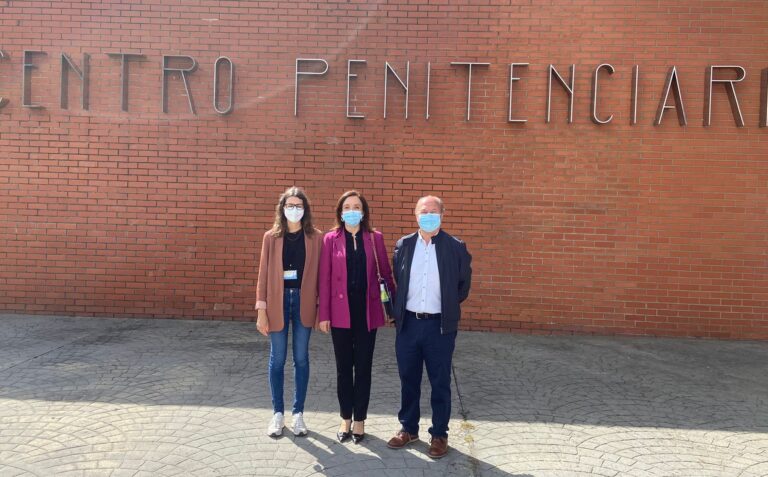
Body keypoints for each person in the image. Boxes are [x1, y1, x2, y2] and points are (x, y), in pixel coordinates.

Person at [386, 195, 472, 459]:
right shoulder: (404, 245)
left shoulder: (455, 247)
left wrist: (444, 305)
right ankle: (409, 428)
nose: (428, 215)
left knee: (440, 381)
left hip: (439, 327)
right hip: (409, 324)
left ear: (442, 215)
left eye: (434, 211)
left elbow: (462, 286)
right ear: (415, 215)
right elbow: (397, 281)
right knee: (408, 379)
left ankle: (439, 434)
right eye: (424, 211)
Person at [318, 190, 396, 444]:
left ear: (363, 212)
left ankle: (360, 420)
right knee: (343, 368)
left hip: (367, 312)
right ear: (340, 212)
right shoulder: (330, 239)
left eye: (357, 206)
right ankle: (345, 418)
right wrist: (324, 314)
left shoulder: (374, 238)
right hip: (340, 313)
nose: (352, 210)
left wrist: (392, 308)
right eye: (347, 206)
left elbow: (385, 273)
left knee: (363, 367)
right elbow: (325, 279)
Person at [255, 187, 323, 437]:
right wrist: (261, 310)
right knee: (278, 358)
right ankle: (277, 413)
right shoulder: (271, 237)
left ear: (305, 209)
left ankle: (298, 414)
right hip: (277, 303)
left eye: (298, 205)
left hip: (303, 303)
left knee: (301, 359)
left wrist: (321, 309)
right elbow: (263, 275)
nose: (294, 209)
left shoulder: (316, 237)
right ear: (282, 208)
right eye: (289, 205)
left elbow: (321, 277)